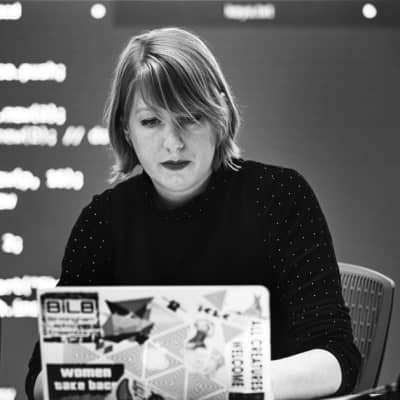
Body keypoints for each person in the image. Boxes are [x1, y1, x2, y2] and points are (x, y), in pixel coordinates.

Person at [26, 27, 361, 400]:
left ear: (220, 116)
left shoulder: (279, 197)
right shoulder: (102, 221)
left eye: (190, 117)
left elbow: (337, 361)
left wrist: (218, 385)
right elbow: (41, 378)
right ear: (125, 128)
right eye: (150, 122)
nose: (173, 143)